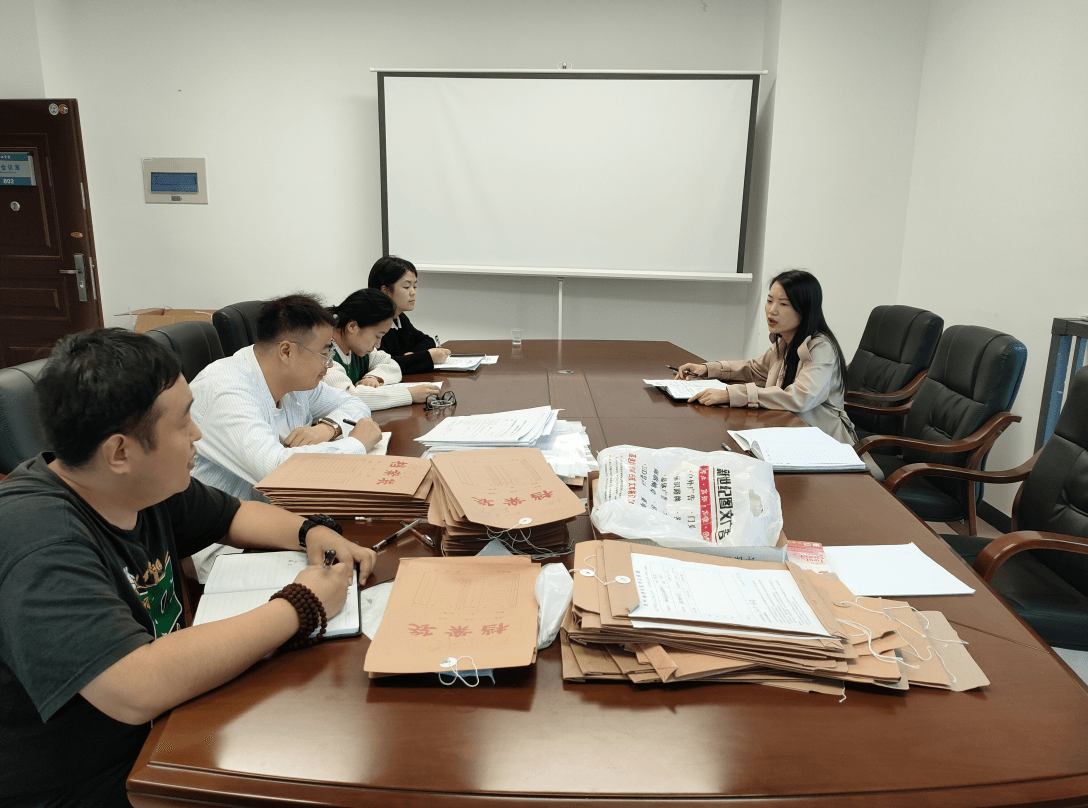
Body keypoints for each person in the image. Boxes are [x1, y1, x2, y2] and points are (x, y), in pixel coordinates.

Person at [0, 329, 375, 808]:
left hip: (167, 725)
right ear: (120, 452)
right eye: (183, 422)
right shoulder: (37, 537)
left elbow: (233, 516)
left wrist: (311, 532)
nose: (197, 434)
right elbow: (134, 686)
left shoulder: (136, 484)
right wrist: (302, 605)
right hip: (91, 778)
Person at [188, 293, 382, 580]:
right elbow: (276, 470)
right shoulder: (226, 390)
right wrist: (357, 443)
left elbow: (353, 404)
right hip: (225, 549)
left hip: (278, 519)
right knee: (349, 576)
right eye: (324, 352)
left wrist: (328, 428)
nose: (329, 364)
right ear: (287, 351)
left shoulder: (293, 381)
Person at [676, 269, 857, 445]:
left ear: (805, 310)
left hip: (824, 442)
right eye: (770, 301)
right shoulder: (785, 341)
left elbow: (800, 397)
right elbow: (754, 369)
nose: (772, 311)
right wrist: (708, 369)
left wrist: (731, 395)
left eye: (783, 304)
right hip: (787, 431)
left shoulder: (821, 348)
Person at [324, 287, 441, 409]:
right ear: (353, 326)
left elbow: (392, 365)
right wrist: (410, 394)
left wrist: (373, 377)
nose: (378, 345)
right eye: (377, 336)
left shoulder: (355, 348)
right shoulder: (324, 354)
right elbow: (348, 397)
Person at [368, 255, 451, 375]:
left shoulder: (399, 318)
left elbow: (427, 341)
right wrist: (426, 357)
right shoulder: (371, 322)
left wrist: (411, 356)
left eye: (415, 286)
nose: (413, 292)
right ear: (385, 291)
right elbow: (382, 365)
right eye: (406, 287)